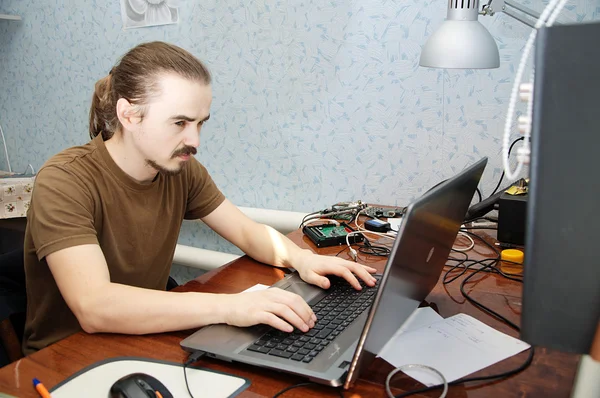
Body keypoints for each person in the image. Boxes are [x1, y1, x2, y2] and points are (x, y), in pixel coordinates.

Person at [22, 41, 376, 355]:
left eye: (201, 123)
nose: (195, 140)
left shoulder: (180, 167)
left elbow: (248, 232)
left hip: (145, 336)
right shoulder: (64, 180)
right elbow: (95, 307)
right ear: (128, 115)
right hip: (68, 356)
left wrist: (301, 259)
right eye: (179, 123)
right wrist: (230, 307)